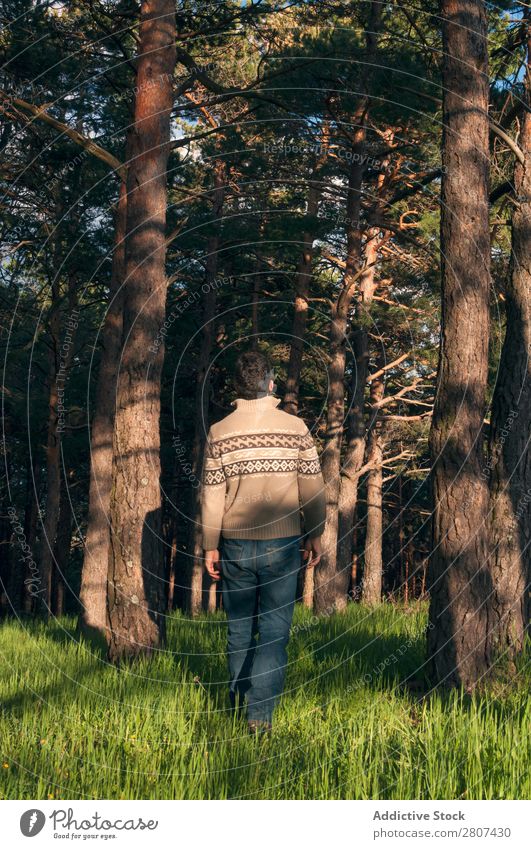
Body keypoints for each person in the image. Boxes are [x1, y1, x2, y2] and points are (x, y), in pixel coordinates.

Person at [200, 350, 326, 733]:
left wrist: (210, 544)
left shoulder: (220, 431)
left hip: (235, 544)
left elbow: (211, 494)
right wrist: (316, 534)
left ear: (239, 387)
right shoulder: (295, 428)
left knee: (239, 628)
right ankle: (260, 717)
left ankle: (240, 706)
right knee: (273, 630)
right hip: (284, 543)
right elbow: (313, 487)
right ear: (270, 383)